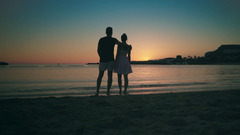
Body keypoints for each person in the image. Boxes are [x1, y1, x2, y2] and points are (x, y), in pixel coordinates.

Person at [95, 27, 121, 96]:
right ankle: (108, 91)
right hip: (110, 60)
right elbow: (121, 44)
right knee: (109, 76)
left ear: (106, 32)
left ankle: (97, 91)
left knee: (100, 76)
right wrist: (128, 46)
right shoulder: (113, 40)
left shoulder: (101, 39)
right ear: (112, 32)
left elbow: (98, 50)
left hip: (103, 60)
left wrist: (101, 56)